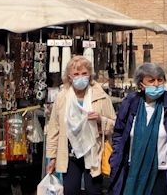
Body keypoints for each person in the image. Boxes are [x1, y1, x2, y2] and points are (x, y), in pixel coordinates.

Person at [107, 62, 167, 195]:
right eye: (151, 81)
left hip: (163, 173)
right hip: (132, 171)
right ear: (141, 85)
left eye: (160, 80)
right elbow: (119, 133)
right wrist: (115, 158)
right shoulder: (130, 103)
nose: (157, 84)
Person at [45, 55, 116, 194]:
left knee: (93, 191)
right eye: (76, 74)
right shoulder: (62, 97)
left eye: (84, 73)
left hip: (94, 153)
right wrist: (52, 157)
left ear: (90, 75)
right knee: (70, 190)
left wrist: (100, 120)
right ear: (69, 77)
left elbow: (114, 124)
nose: (80, 77)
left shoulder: (100, 96)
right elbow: (54, 128)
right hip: (70, 154)